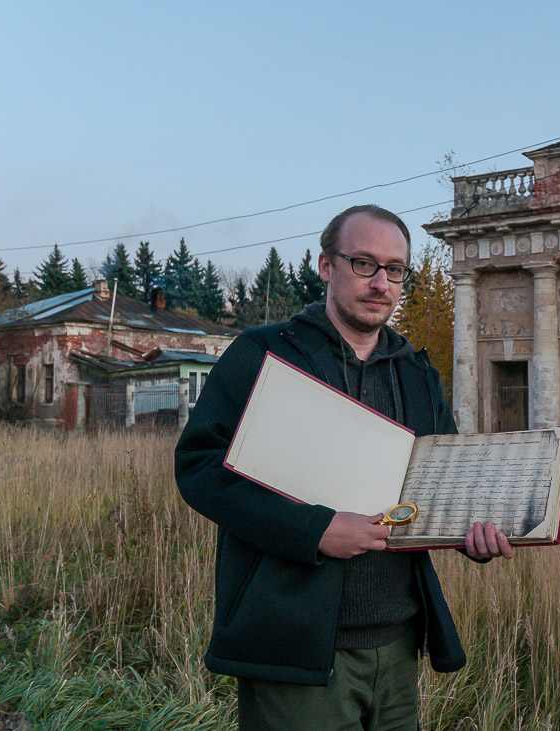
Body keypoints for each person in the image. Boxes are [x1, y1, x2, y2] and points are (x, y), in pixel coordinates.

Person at [175, 204, 514, 730]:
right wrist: (315, 530)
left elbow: (444, 488)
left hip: (399, 644)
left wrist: (473, 534)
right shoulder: (264, 354)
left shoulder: (418, 374)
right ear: (325, 266)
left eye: (395, 269)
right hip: (298, 649)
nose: (381, 282)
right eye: (363, 263)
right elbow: (200, 468)